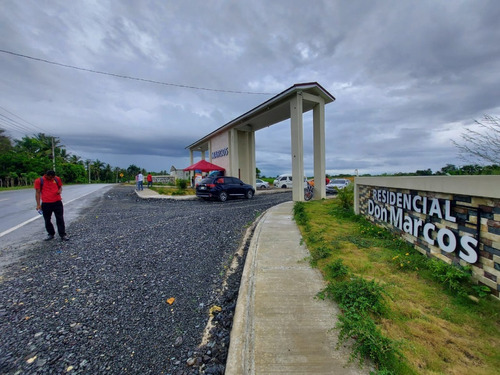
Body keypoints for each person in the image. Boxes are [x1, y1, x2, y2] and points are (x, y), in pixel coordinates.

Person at [34, 170, 69, 241]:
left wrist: (60, 190)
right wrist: (38, 204)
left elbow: (60, 187)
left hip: (57, 202)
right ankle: (51, 234)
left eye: (52, 177)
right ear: (46, 175)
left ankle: (62, 234)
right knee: (47, 219)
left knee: (60, 219)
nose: (51, 179)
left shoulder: (57, 179)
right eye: (50, 177)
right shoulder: (39, 181)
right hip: (46, 203)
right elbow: (37, 193)